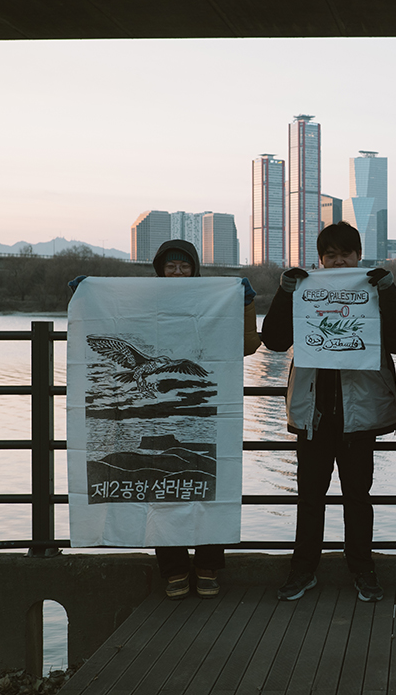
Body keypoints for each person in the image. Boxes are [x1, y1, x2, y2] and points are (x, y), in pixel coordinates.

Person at [69, 239, 262, 600]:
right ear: (158, 270)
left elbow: (247, 344)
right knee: (158, 487)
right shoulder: (140, 303)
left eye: (184, 266)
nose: (177, 272)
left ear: (195, 269)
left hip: (203, 412)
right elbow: (105, 315)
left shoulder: (213, 303)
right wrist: (87, 295)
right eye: (170, 267)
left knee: (210, 485)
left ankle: (207, 567)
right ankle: (173, 569)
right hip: (145, 413)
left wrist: (245, 304)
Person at [260, 221, 396, 603]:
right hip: (313, 415)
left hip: (360, 416)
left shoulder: (374, 290)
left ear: (359, 256)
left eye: (346, 254)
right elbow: (274, 340)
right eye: (331, 256)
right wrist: (284, 292)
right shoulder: (304, 292)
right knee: (310, 498)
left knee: (358, 498)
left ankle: (363, 569)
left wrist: (389, 291)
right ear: (320, 260)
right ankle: (303, 570)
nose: (339, 262)